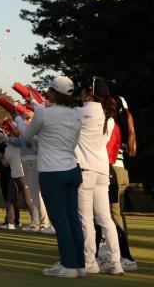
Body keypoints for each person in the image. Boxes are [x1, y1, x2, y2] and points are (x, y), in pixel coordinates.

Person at [17, 76, 85, 278]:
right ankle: (79, 265)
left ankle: (69, 266)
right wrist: (34, 103)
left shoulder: (45, 114)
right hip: (72, 169)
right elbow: (65, 140)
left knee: (60, 221)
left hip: (52, 173)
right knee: (73, 219)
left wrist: (18, 118)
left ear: (54, 92)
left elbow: (27, 135)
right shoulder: (76, 114)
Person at [74, 78, 122, 275]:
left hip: (85, 169)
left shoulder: (80, 112)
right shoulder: (109, 116)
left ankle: (89, 262)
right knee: (105, 218)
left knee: (86, 219)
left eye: (84, 90)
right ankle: (114, 262)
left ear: (90, 93)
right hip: (102, 170)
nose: (82, 93)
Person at [107, 97, 137, 271]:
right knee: (117, 213)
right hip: (122, 170)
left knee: (114, 214)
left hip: (115, 172)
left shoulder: (114, 126)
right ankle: (120, 250)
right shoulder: (126, 124)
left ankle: (124, 255)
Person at [0, 113, 41, 231]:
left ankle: (36, 222)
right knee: (10, 200)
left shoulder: (20, 143)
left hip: (24, 175)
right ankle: (10, 223)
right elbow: (6, 164)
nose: (9, 133)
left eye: (10, 131)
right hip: (14, 176)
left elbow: (6, 137)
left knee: (28, 201)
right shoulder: (7, 147)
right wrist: (2, 160)